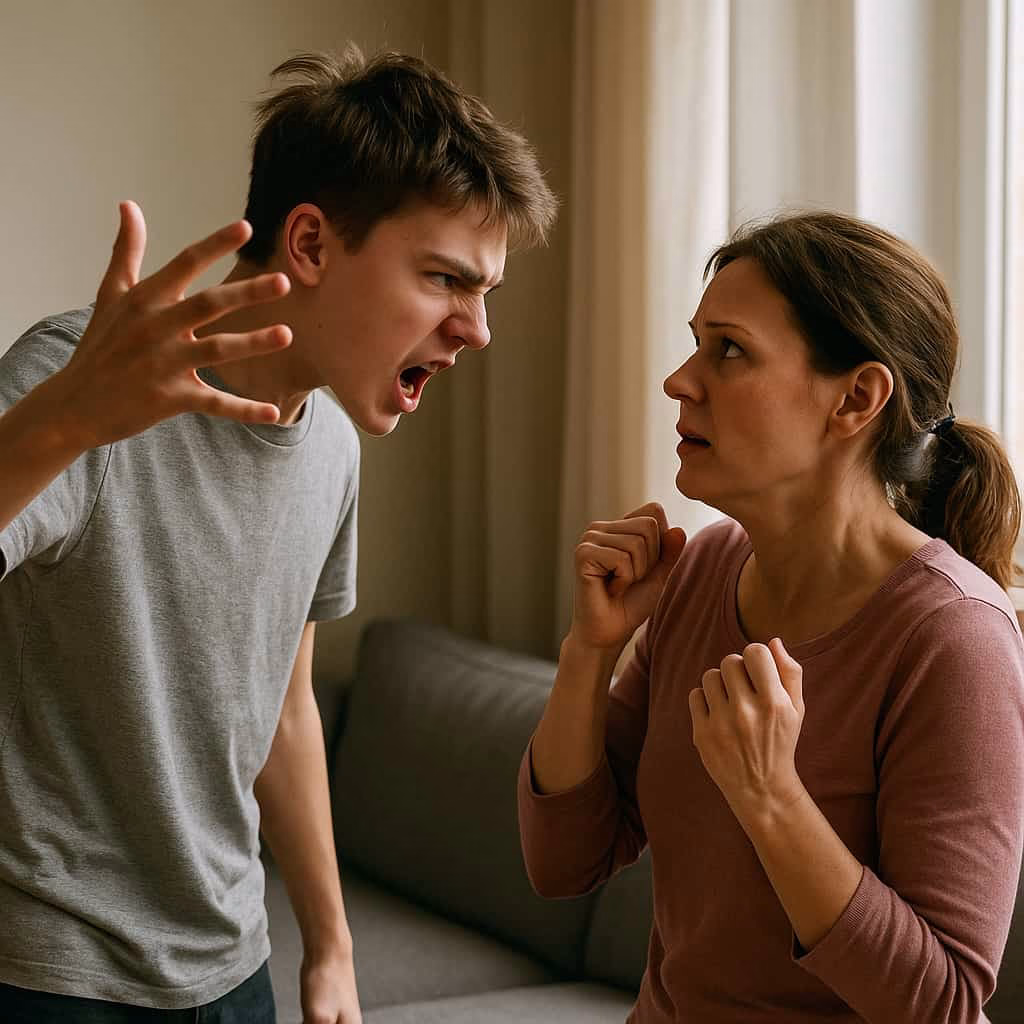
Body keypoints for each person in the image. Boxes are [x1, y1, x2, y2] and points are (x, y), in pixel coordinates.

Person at [0, 46, 556, 1023]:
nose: (477, 329)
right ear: (308, 243)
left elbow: (286, 710)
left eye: (486, 294)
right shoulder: (77, 382)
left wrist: (330, 946)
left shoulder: (333, 445)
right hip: (51, 975)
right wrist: (67, 422)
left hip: (234, 960)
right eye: (445, 278)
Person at [518, 211, 1024, 1023]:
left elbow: (943, 1002)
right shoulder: (705, 569)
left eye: (729, 350)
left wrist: (770, 796)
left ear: (856, 398)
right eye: (696, 344)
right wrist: (591, 649)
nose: (679, 381)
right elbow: (564, 863)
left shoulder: (955, 638)